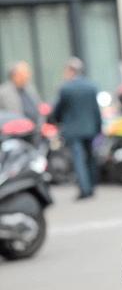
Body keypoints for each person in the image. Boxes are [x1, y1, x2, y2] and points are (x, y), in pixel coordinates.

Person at [52, 57, 102, 199]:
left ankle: (84, 189)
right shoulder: (91, 86)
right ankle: (92, 187)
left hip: (73, 130)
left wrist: (55, 120)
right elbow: (95, 110)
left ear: (70, 71)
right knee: (90, 158)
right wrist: (98, 127)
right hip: (90, 128)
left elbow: (58, 110)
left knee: (78, 159)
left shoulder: (66, 88)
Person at [0, 61, 42, 125]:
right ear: (15, 75)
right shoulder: (3, 92)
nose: (28, 76)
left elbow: (39, 107)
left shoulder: (30, 88)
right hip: (15, 131)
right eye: (24, 73)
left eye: (28, 73)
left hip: (36, 129)